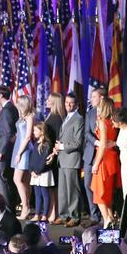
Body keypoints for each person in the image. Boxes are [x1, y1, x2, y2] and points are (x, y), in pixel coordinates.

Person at [54, 93, 83, 227]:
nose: (68, 105)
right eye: (66, 102)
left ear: (76, 104)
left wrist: (62, 146)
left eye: (71, 103)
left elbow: (78, 142)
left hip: (72, 159)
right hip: (62, 158)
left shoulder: (79, 119)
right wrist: (57, 148)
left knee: (72, 190)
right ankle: (64, 215)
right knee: (63, 191)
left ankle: (75, 216)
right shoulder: (66, 118)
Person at [90, 98, 120, 228]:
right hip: (111, 157)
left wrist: (96, 163)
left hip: (104, 159)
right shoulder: (112, 122)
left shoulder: (103, 122)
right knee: (106, 191)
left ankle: (107, 220)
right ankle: (111, 218)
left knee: (99, 191)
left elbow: (102, 145)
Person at [83, 88, 106, 226]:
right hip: (90, 154)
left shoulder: (109, 113)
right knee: (88, 185)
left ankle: (105, 215)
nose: (91, 99)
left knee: (102, 186)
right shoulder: (90, 113)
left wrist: (103, 144)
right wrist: (97, 142)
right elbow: (87, 133)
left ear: (102, 98)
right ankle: (94, 215)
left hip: (104, 156)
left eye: (94, 97)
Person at [0, 86, 18, 210]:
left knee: (1, 177)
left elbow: (7, 133)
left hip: (5, 150)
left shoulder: (7, 110)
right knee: (5, 178)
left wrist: (1, 151)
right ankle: (9, 207)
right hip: (8, 149)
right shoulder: (10, 108)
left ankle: (7, 209)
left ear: (1, 95)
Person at [29, 122, 56, 222]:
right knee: (37, 194)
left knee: (45, 194)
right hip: (35, 174)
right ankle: (37, 214)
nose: (33, 132)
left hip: (43, 173)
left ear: (41, 132)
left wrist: (38, 171)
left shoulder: (47, 145)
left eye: (35, 130)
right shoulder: (36, 144)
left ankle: (44, 214)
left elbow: (44, 160)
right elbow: (32, 159)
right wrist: (31, 170)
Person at [11, 95, 33, 219]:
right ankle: (27, 205)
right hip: (18, 147)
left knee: (17, 179)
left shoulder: (30, 116)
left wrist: (19, 153)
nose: (17, 105)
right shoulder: (21, 117)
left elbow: (28, 136)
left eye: (19, 103)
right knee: (24, 180)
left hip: (24, 149)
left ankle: (25, 207)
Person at [44, 93, 65, 222]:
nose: (46, 101)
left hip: (54, 156)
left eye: (49, 99)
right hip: (48, 153)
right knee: (51, 186)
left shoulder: (57, 118)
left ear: (54, 102)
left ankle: (55, 211)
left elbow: (58, 139)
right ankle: (52, 210)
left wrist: (53, 154)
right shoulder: (50, 116)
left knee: (54, 185)